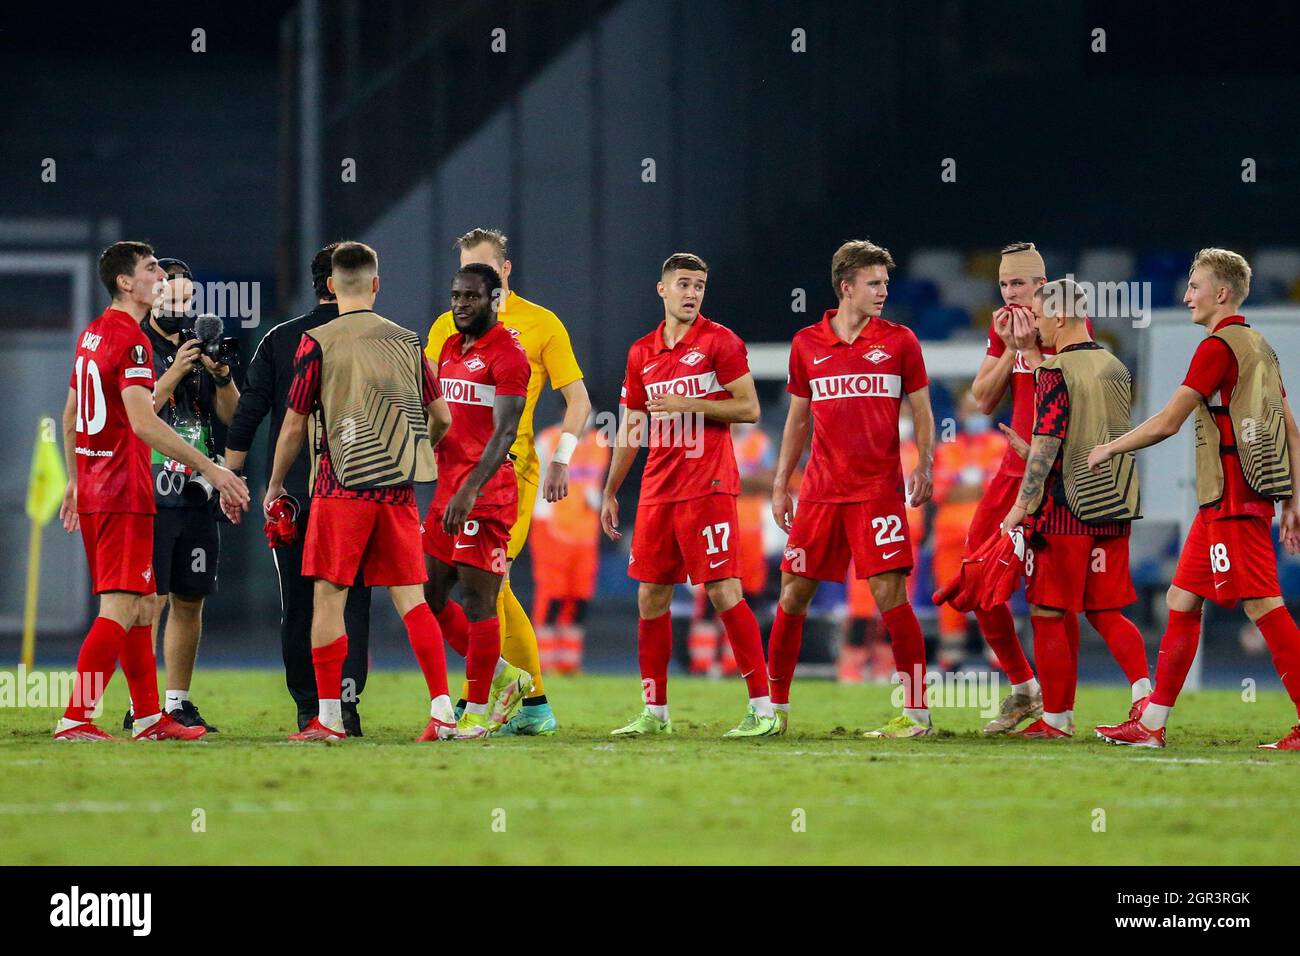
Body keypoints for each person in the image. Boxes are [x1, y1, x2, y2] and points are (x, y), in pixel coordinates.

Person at [1090, 248, 1300, 749]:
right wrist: (1292, 501)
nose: (1186, 296)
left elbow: (1167, 421)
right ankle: (1152, 725)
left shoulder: (1217, 348)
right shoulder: (1260, 345)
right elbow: (1290, 428)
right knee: (1180, 600)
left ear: (1220, 293)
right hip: (1225, 499)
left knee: (1264, 607)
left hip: (1233, 497)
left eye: (1194, 286)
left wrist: (1110, 448)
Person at [260, 241, 456, 741]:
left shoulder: (317, 342)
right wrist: (415, 452)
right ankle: (443, 714)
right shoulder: (408, 342)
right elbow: (442, 418)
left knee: (328, 598)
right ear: (376, 284)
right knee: (412, 599)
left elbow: (292, 425)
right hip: (395, 490)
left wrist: (277, 483)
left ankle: (327, 719)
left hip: (338, 488)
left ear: (331, 285)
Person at [55, 241, 248, 741]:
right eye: (151, 268)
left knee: (143, 604)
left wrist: (76, 480)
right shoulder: (133, 341)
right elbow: (144, 422)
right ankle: (76, 716)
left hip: (101, 485)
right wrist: (216, 469)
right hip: (124, 490)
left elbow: (73, 415)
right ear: (126, 282)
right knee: (120, 608)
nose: (161, 275)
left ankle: (147, 718)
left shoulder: (93, 334)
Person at [765, 240, 936, 738]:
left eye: (885, 283)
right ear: (847, 287)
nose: (883, 291)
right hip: (819, 492)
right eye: (874, 283)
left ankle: (917, 714)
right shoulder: (806, 344)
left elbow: (922, 412)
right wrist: (781, 486)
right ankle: (773, 710)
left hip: (877, 491)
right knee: (792, 594)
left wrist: (923, 464)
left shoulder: (900, 341)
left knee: (890, 595)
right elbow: (797, 422)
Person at [425, 228, 591, 735]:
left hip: (507, 472)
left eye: (484, 275)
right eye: (463, 278)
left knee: (490, 588)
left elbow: (578, 400)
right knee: (432, 589)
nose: (471, 290)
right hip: (451, 474)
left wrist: (561, 457)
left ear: (505, 273)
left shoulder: (539, 326)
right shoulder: (445, 330)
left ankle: (525, 701)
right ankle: (508, 683)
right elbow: (429, 397)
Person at [601, 252, 772, 738]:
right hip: (658, 487)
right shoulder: (640, 354)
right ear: (662, 290)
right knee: (651, 596)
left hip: (710, 483)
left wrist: (687, 403)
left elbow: (750, 408)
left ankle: (762, 708)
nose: (692, 293)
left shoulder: (721, 342)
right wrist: (611, 490)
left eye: (699, 285)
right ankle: (654, 713)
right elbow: (632, 426)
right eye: (683, 284)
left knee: (723, 589)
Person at [225, 244, 374, 735]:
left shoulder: (282, 339)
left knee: (300, 601)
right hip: (361, 489)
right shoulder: (386, 338)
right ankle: (345, 707)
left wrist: (232, 476)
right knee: (352, 600)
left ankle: (310, 707)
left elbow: (250, 414)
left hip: (296, 494)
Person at [998, 280, 1147, 738]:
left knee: (1046, 611)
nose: (1038, 327)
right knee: (1105, 611)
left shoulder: (1054, 371)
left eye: (1041, 318)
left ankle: (1056, 719)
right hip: (1115, 504)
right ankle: (1147, 698)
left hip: (1066, 512)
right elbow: (1093, 434)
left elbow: (1049, 442)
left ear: (1058, 317)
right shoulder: (1116, 366)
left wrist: (1020, 507)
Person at [422, 262, 536, 739]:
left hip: (485, 495)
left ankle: (473, 713)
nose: (460, 304)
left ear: (494, 299)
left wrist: (470, 489)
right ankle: (507, 677)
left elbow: (506, 430)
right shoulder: (449, 346)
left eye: (471, 296)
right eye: (456, 295)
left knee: (478, 600)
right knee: (426, 594)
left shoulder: (509, 354)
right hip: (447, 489)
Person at [127, 257, 238, 732]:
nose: (180, 306)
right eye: (172, 296)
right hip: (149, 487)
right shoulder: (135, 345)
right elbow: (141, 411)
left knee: (191, 598)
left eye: (187, 298)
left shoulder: (201, 342)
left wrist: (221, 376)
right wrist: (175, 370)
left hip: (196, 487)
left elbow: (233, 416)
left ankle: (176, 702)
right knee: (149, 600)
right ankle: (142, 705)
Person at [931, 391, 1007, 669]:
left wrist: (961, 485)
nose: (976, 415)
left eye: (981, 409)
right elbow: (940, 491)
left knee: (992, 590)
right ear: (960, 414)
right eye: (970, 410)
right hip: (949, 533)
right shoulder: (947, 447)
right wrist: (972, 486)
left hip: (988, 533)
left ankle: (999, 652)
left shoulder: (1000, 444)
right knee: (950, 591)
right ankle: (951, 655)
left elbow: (995, 489)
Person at [531, 420, 609, 674]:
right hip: (552, 526)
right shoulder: (548, 439)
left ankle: (569, 662)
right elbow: (531, 476)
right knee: (552, 593)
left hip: (585, 532)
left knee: (579, 596)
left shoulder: (600, 443)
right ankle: (543, 662)